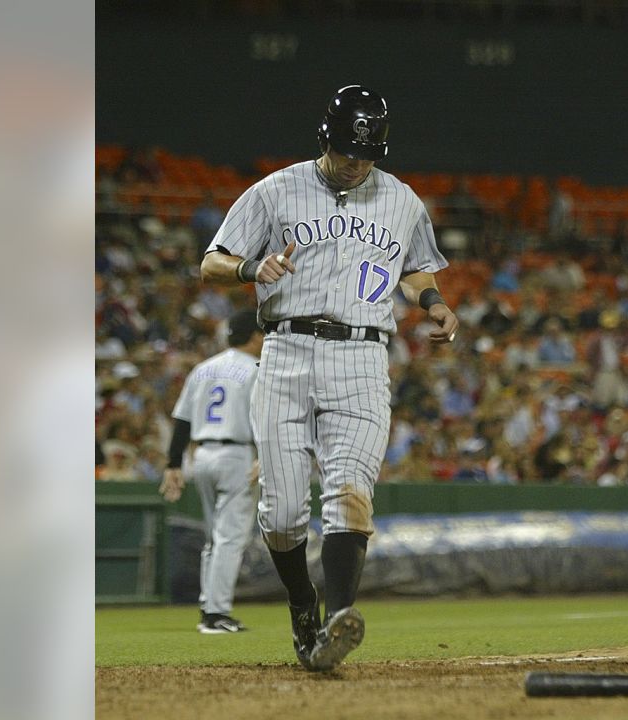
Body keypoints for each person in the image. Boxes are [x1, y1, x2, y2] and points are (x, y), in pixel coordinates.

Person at [199, 85, 459, 672]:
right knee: (285, 513)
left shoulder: (401, 200)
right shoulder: (275, 190)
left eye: (368, 154)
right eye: (348, 153)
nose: (358, 163)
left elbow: (416, 268)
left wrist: (435, 303)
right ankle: (302, 604)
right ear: (326, 139)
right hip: (286, 349)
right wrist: (248, 267)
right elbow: (209, 262)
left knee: (349, 493)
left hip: (363, 357)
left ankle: (340, 616)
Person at [159, 310, 263, 634]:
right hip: (238, 454)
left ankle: (209, 607)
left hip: (201, 455)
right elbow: (264, 416)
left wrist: (174, 463)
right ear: (256, 336)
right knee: (230, 537)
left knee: (213, 538)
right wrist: (266, 454)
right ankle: (216, 613)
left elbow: (183, 420)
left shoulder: (203, 368)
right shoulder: (256, 369)